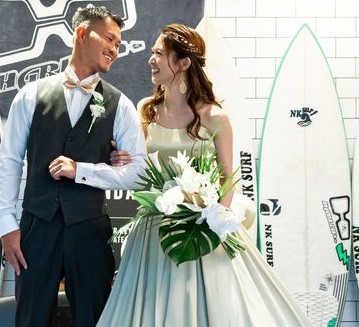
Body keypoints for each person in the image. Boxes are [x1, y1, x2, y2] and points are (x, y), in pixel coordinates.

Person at [101, 23, 311, 327]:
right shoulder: (146, 109)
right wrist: (123, 159)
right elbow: (140, 166)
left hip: (204, 225)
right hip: (155, 227)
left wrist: (216, 220)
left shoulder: (215, 117)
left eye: (159, 53)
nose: (151, 59)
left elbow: (228, 177)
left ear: (184, 63)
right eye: (153, 52)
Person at [0, 5, 147, 327]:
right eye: (109, 39)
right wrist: (7, 225)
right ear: (81, 33)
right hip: (36, 227)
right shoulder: (30, 95)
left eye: (119, 44)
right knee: (31, 319)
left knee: (95, 318)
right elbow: (9, 161)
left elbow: (138, 173)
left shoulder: (121, 105)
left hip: (89, 229)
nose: (115, 50)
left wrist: (82, 171)